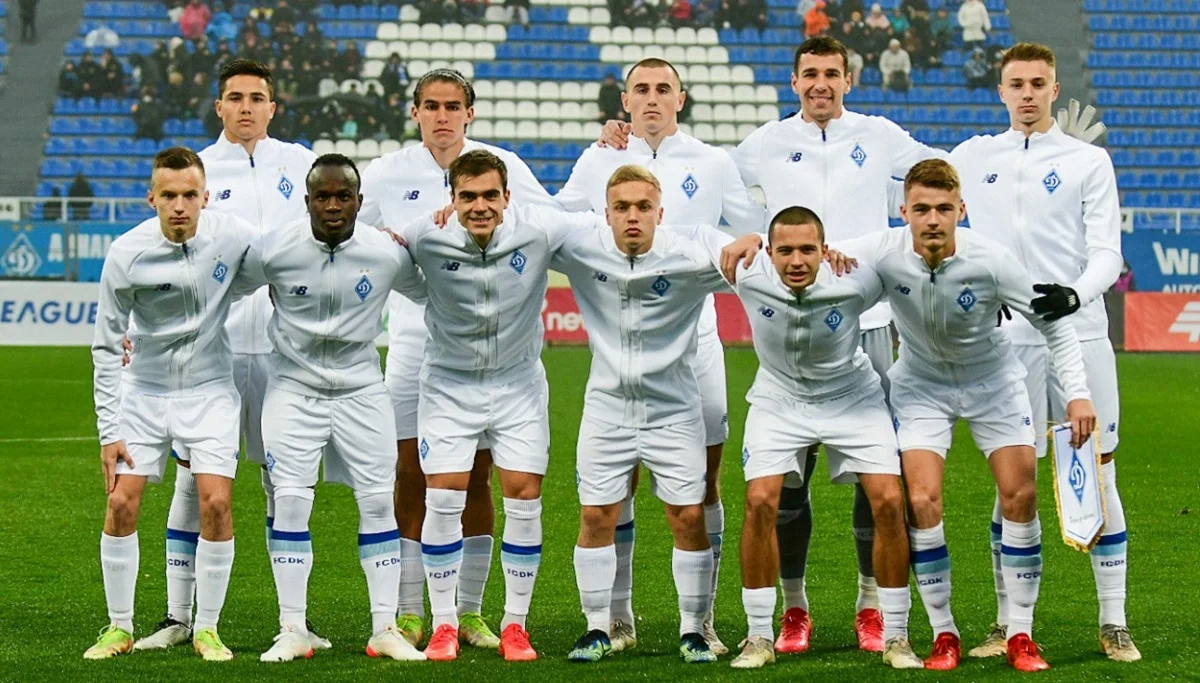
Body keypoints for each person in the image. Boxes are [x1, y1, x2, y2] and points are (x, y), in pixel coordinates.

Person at [726, 36, 944, 653]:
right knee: (785, 485)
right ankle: (793, 608)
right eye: (810, 74)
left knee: (874, 478)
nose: (820, 83)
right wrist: (624, 140)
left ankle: (870, 603)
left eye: (831, 74)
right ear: (793, 82)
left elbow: (944, 175)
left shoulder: (881, 135)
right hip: (791, 327)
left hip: (869, 320)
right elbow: (704, 178)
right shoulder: (765, 142)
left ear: (849, 79)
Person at [842, 158, 1097, 672]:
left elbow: (1054, 325)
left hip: (993, 383)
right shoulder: (882, 254)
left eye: (942, 209)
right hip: (920, 386)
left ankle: (1021, 633)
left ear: (961, 209)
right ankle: (944, 634)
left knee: (1020, 493)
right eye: (920, 209)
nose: (932, 219)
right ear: (903, 211)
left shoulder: (992, 260)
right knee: (921, 499)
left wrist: (1077, 393)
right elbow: (818, 257)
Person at [560, 57, 766, 656]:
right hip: (618, 349)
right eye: (641, 90)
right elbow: (559, 220)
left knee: (701, 488)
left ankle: (699, 622)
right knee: (610, 487)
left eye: (663, 89)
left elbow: (752, 231)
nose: (652, 99)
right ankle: (615, 618)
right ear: (625, 100)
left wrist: (754, 240)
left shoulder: (712, 160)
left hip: (692, 336)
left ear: (682, 98)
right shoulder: (598, 158)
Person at [948, 42, 1139, 664]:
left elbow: (1107, 254)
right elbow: (902, 182)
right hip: (1005, 344)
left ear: (1054, 90)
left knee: (1100, 475)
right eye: (1015, 84)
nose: (1026, 93)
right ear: (1000, 91)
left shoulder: (1088, 161)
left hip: (1079, 337)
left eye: (1037, 83)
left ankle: (1114, 621)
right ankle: (1010, 623)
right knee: (1014, 484)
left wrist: (1074, 294)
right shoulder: (973, 157)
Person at [358, 69, 559, 651]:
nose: (442, 116)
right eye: (431, 106)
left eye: (453, 106)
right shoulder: (388, 171)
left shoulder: (504, 165)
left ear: (469, 113)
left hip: (499, 350)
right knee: (411, 474)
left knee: (480, 478)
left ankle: (468, 612)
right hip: (420, 342)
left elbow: (547, 222)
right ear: (415, 111)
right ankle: (411, 608)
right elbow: (362, 244)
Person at [131, 58, 325, 654]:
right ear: (219, 106)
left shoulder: (301, 163)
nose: (246, 106)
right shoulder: (196, 170)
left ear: (273, 106)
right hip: (208, 353)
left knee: (282, 481)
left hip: (285, 350)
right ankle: (177, 616)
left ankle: (293, 620)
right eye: (235, 97)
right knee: (194, 482)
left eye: (257, 97)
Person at [393, 150, 603, 662]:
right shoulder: (425, 233)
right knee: (444, 495)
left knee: (524, 496)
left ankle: (515, 624)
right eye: (468, 197)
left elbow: (605, 227)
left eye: (490, 195)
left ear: (508, 197)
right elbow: (381, 251)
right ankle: (444, 624)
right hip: (447, 385)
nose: (480, 206)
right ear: (452, 199)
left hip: (518, 386)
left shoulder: (539, 231)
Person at [229, 155, 427, 663]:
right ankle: (293, 627)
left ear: (360, 202)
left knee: (379, 502)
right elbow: (221, 290)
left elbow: (435, 293)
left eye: (344, 196)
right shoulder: (275, 250)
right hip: (293, 389)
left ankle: (385, 627)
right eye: (323, 196)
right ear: (308, 200)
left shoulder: (386, 253)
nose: (334, 205)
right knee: (291, 501)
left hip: (363, 389)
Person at [555, 165, 740, 665]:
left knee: (687, 515)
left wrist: (753, 242)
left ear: (661, 213)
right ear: (606, 214)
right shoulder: (580, 249)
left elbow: (753, 258)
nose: (632, 217)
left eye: (642, 208)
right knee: (596, 515)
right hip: (607, 408)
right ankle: (596, 628)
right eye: (621, 208)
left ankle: (693, 629)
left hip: (673, 410)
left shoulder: (689, 257)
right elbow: (524, 224)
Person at [718, 207, 916, 670]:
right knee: (761, 501)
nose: (797, 260)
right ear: (769, 253)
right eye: (785, 250)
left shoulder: (855, 280)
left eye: (808, 249)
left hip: (852, 396)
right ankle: (761, 633)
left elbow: (903, 253)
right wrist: (742, 235)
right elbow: (695, 241)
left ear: (825, 251)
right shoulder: (747, 274)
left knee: (888, 500)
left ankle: (896, 634)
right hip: (779, 399)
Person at [85, 147, 256, 662]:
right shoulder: (126, 252)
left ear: (205, 197)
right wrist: (108, 431)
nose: (179, 206)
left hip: (209, 393)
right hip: (144, 394)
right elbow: (105, 344)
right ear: (151, 198)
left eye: (189, 196)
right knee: (120, 504)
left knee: (217, 504)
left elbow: (289, 252)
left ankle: (206, 628)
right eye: (168, 196)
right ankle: (119, 627)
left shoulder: (232, 235)